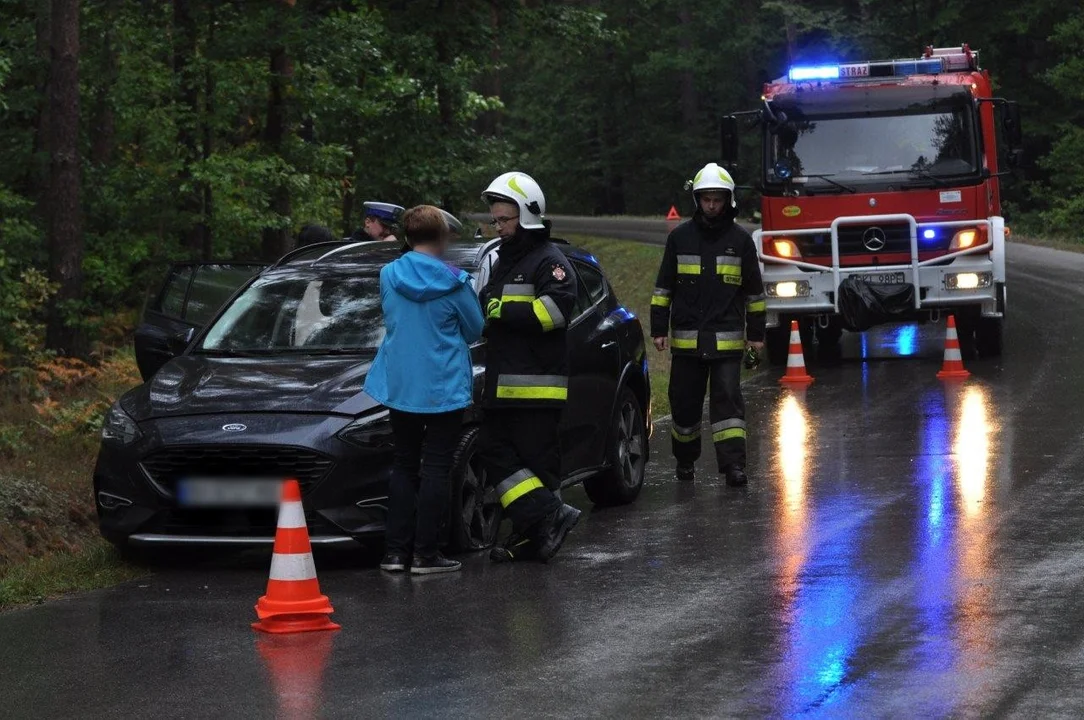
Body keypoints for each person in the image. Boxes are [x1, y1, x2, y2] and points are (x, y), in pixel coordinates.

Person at [363, 205, 485, 575]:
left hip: (401, 384)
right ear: (443, 237)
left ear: (406, 237)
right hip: (442, 386)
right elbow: (474, 329)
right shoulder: (456, 281)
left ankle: (395, 553)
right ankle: (427, 554)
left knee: (404, 464)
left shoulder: (388, 274)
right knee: (436, 467)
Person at [477, 171, 581, 564]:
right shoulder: (505, 259)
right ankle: (547, 518)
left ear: (528, 216)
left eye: (505, 220)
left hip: (537, 388)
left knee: (538, 466)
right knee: (493, 451)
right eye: (496, 220)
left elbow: (554, 312)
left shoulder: (551, 262)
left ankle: (535, 537)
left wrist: (504, 309)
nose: (498, 227)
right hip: (504, 384)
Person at [650, 162, 766, 486]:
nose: (711, 206)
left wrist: (756, 336)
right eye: (706, 199)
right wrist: (659, 328)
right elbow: (664, 287)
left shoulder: (741, 241)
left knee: (728, 404)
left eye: (717, 199)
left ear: (728, 200)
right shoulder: (680, 238)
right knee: (683, 407)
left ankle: (734, 466)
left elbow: (754, 293)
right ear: (697, 200)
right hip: (687, 343)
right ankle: (685, 460)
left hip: (726, 341)